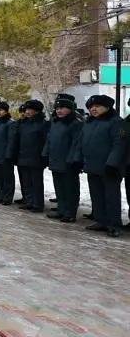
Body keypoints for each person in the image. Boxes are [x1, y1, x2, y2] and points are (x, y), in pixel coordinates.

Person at [72, 95, 125, 237]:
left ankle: (114, 224)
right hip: (92, 165)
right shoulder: (89, 123)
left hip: (109, 167)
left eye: (97, 106)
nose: (93, 109)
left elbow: (118, 144)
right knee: (96, 195)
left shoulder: (116, 122)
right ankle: (101, 221)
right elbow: (81, 142)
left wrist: (112, 163)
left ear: (107, 107)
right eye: (91, 107)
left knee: (111, 197)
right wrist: (77, 159)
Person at [42, 94, 82, 222]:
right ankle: (62, 209)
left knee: (70, 188)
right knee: (59, 188)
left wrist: (73, 160)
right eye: (57, 108)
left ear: (70, 109)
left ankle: (70, 213)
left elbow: (77, 143)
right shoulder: (55, 122)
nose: (59, 110)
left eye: (63, 108)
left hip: (68, 162)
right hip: (55, 159)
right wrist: (45, 153)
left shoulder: (75, 124)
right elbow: (50, 139)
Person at [12, 99, 49, 213]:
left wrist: (44, 156)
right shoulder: (24, 123)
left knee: (36, 182)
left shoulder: (43, 124)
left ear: (37, 111)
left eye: (30, 109)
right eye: (26, 109)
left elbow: (46, 141)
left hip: (36, 157)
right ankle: (29, 201)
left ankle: (37, 204)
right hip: (23, 156)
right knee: (26, 182)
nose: (27, 112)